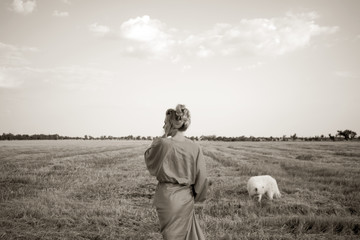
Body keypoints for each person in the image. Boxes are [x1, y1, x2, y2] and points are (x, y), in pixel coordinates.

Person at [144, 104, 208, 240]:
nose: (163, 126)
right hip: (186, 197)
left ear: (172, 123)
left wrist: (164, 135)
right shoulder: (195, 147)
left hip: (167, 197)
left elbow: (149, 157)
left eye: (165, 123)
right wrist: (196, 197)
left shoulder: (163, 144)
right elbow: (202, 177)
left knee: (171, 236)